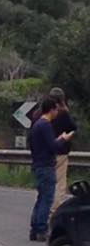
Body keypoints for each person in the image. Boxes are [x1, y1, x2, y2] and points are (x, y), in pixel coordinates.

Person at [29, 96, 74, 241]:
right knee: (47, 199)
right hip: (46, 165)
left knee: (41, 197)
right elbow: (53, 146)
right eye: (56, 110)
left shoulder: (37, 125)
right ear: (52, 110)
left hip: (38, 163)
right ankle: (41, 228)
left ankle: (35, 228)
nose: (57, 113)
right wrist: (63, 139)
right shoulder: (45, 125)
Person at [49, 86, 76, 217]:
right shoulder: (64, 113)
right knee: (59, 184)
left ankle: (44, 210)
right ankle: (55, 211)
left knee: (46, 183)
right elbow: (72, 128)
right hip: (61, 151)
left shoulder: (43, 113)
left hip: (46, 152)